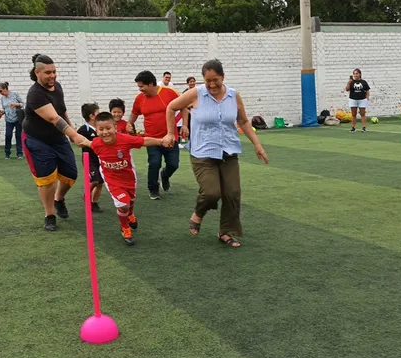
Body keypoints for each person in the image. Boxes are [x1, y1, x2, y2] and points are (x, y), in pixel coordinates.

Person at [164, 59, 269, 248]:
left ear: (223, 77)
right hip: (202, 152)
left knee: (233, 193)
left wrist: (257, 145)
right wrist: (171, 132)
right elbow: (171, 107)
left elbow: (244, 121)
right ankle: (198, 213)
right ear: (203, 80)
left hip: (228, 151)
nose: (212, 85)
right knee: (212, 193)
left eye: (216, 80)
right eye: (208, 80)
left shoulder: (233, 95)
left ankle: (226, 232)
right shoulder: (195, 94)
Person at [22, 54, 92, 231]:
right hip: (37, 140)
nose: (52, 76)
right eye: (47, 73)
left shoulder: (57, 86)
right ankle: (49, 214)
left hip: (58, 138)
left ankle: (59, 199)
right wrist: (75, 136)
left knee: (70, 175)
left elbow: (61, 111)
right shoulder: (35, 94)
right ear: (37, 73)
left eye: (54, 71)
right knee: (46, 179)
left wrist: (70, 131)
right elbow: (53, 117)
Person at [91, 112, 166, 246]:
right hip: (111, 179)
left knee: (130, 201)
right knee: (123, 204)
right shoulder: (96, 144)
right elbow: (82, 141)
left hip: (129, 177)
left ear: (115, 127)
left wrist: (161, 141)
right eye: (101, 129)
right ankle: (125, 227)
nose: (105, 132)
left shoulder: (125, 139)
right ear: (96, 130)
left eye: (108, 128)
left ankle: (130, 213)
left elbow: (144, 141)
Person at [129, 70, 180, 200]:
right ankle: (153, 189)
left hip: (170, 138)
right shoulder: (140, 99)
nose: (140, 89)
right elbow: (135, 113)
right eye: (139, 86)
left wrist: (184, 125)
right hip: (152, 139)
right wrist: (130, 123)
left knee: (173, 164)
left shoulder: (169, 93)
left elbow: (184, 106)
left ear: (151, 84)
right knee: (154, 163)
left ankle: (165, 176)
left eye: (142, 86)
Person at [77, 103, 104, 214]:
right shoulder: (84, 129)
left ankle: (94, 202)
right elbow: (77, 140)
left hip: (101, 158)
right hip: (89, 159)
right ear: (92, 116)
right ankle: (86, 197)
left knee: (100, 182)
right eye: (98, 112)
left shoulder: (101, 128)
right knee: (94, 180)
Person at [0, 82, 24, 159]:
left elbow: (23, 103)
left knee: (18, 136)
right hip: (8, 119)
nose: (0, 93)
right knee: (8, 135)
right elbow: (5, 109)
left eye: (0, 91)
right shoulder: (2, 98)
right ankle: (7, 153)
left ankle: (20, 153)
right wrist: (2, 112)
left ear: (5, 89)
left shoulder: (15, 94)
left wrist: (16, 104)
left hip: (17, 118)